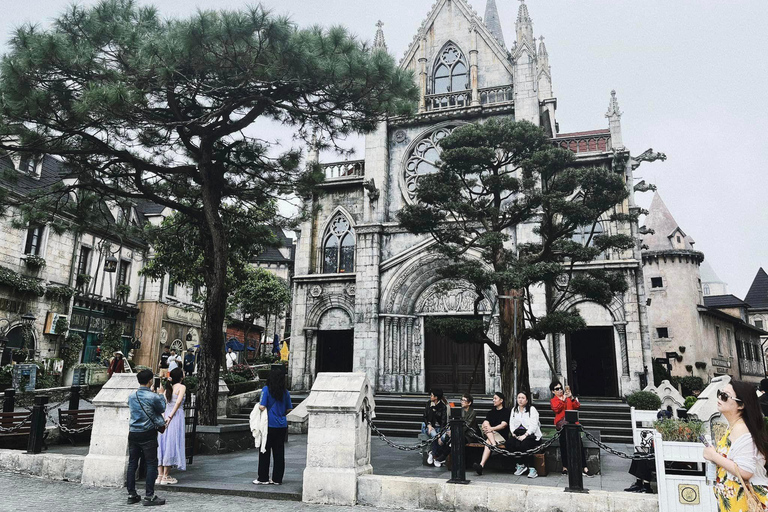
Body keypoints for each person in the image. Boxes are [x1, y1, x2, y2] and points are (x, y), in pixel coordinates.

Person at [704, 380, 768, 511]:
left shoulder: (741, 429)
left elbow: (745, 471)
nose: (720, 398)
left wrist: (714, 456)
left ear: (741, 405)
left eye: (725, 396)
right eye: (719, 393)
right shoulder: (734, 426)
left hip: (744, 502)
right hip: (735, 501)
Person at [126, 369, 167, 506]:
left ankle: (131, 494)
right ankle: (149, 496)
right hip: (147, 432)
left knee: (132, 463)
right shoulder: (153, 396)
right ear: (150, 381)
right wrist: (161, 395)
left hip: (133, 432)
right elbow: (161, 409)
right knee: (151, 463)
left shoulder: (132, 396)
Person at [253, 366, 293, 485]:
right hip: (281, 425)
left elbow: (262, 406)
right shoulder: (285, 392)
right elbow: (289, 408)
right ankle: (277, 479)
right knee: (279, 452)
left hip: (268, 425)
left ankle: (263, 477)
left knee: (264, 450)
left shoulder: (266, 389)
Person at [550, 381, 588, 476]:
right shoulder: (554, 400)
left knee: (579, 444)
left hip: (573, 423)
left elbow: (577, 406)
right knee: (564, 445)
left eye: (560, 388)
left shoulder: (568, 398)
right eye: (557, 389)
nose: (560, 390)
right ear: (553, 391)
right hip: (562, 425)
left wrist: (571, 397)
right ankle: (565, 467)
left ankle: (584, 467)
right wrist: (563, 400)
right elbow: (556, 409)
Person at [157, 367, 186, 485]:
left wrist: (165, 417)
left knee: (162, 444)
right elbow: (178, 402)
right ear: (181, 376)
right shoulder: (182, 387)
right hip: (175, 416)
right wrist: (170, 417)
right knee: (172, 443)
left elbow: (163, 404)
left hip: (165, 415)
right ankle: (166, 476)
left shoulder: (167, 388)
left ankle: (159, 475)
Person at [431, 394, 478, 467]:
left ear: (469, 403)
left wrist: (454, 432)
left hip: (468, 435)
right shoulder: (460, 410)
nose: (462, 402)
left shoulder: (472, 413)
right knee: (448, 438)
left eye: (464, 400)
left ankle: (442, 457)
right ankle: (438, 454)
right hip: (458, 432)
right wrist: (451, 431)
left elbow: (467, 426)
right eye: (461, 400)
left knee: (456, 439)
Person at [473, 392, 510, 475]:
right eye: (493, 398)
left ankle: (481, 465)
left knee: (488, 442)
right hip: (491, 435)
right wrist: (488, 428)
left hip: (501, 436)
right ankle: (493, 446)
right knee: (485, 424)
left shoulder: (506, 411)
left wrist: (491, 429)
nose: (493, 400)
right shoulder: (491, 412)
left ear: (501, 400)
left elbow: (503, 425)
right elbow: (485, 424)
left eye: (495, 398)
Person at [508, 390, 542, 479]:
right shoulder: (514, 410)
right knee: (510, 444)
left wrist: (525, 435)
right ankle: (520, 464)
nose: (520, 400)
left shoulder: (532, 410)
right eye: (519, 398)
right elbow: (511, 423)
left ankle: (532, 468)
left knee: (524, 445)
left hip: (531, 435)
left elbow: (534, 425)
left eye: (523, 398)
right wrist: (513, 433)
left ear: (527, 400)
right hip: (518, 433)